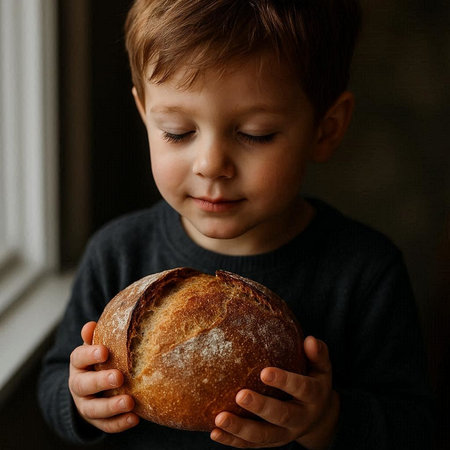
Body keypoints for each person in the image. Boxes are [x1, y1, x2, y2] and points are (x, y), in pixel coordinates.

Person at [38, 1, 433, 449]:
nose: (211, 165)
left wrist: (327, 421)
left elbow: (413, 425)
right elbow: (54, 378)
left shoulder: (364, 270)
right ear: (145, 114)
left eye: (256, 134)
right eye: (177, 132)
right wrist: (80, 401)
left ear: (326, 129)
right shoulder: (116, 251)